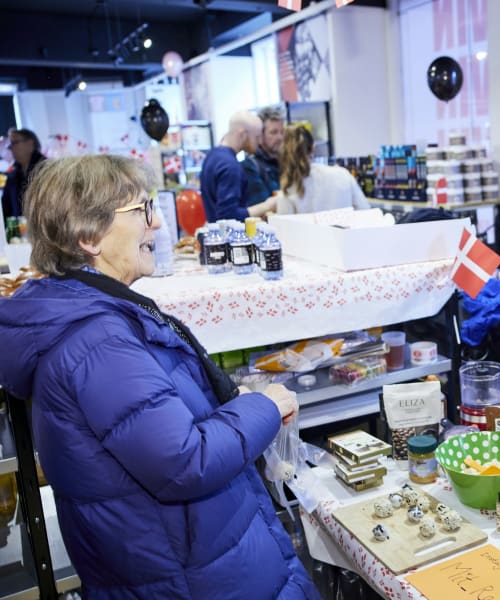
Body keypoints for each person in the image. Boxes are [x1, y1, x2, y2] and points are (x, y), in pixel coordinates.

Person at [0, 155, 320, 599]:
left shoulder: (97, 317)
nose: (157, 226)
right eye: (141, 212)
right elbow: (185, 462)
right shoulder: (98, 342)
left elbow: (154, 427)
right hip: (191, 577)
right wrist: (265, 406)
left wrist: (233, 403)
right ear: (88, 236)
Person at [200, 110, 277, 222]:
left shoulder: (213, 156)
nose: (260, 142)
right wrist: (267, 206)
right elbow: (227, 216)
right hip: (229, 237)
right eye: (256, 137)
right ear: (242, 134)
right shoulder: (230, 166)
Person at [277, 122, 369, 213]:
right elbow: (366, 211)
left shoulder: (288, 188)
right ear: (313, 148)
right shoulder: (342, 174)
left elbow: (284, 226)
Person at [242, 105, 285, 206]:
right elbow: (263, 206)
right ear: (260, 135)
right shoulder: (250, 166)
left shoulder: (287, 163)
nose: (280, 137)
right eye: (273, 132)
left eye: (282, 132)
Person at [1, 129, 46, 220]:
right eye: (10, 144)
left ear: (30, 144)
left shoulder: (47, 170)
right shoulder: (12, 175)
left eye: (15, 142)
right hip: (19, 231)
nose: (11, 148)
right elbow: (6, 207)